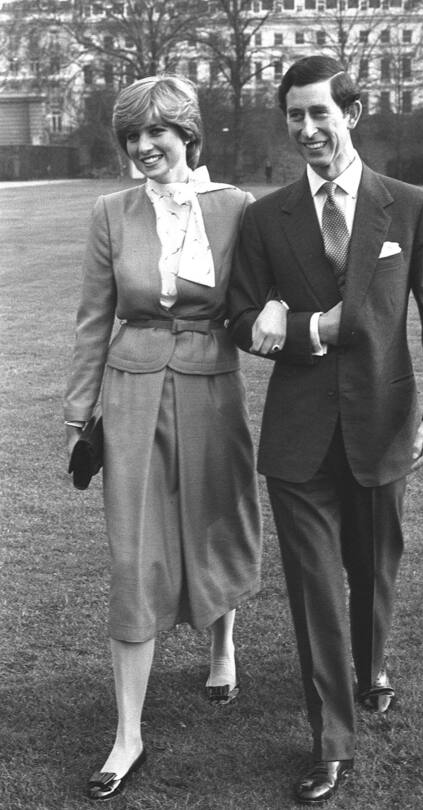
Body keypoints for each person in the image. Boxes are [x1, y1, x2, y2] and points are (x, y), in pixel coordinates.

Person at [228, 56, 423, 805]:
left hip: (385, 423)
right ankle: (331, 741)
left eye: (319, 114)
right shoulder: (267, 217)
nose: (306, 129)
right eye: (294, 116)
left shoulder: (411, 207)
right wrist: (297, 326)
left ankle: (371, 667)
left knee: (373, 570)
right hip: (298, 439)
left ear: (352, 114)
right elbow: (239, 318)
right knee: (312, 592)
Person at [64, 75, 274, 801]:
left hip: (212, 389)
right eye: (132, 135)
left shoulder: (237, 208)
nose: (144, 146)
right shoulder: (110, 211)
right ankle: (128, 734)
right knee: (134, 552)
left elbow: (262, 292)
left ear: (189, 135)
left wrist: (277, 307)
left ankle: (222, 646)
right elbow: (95, 316)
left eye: (158, 132)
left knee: (216, 522)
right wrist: (77, 409)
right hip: (129, 394)